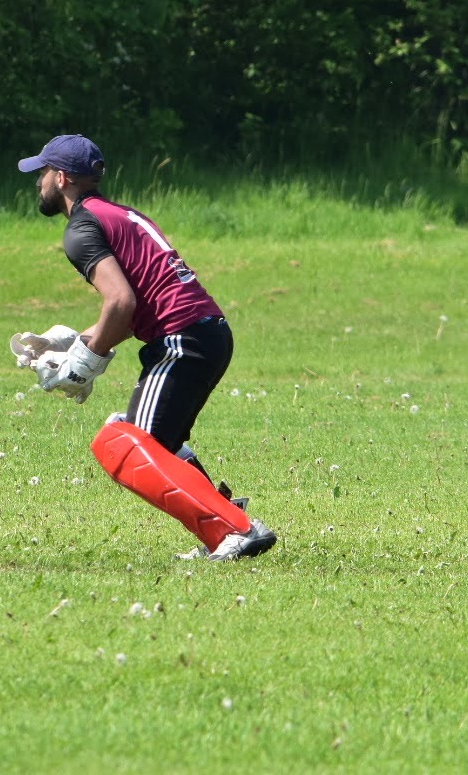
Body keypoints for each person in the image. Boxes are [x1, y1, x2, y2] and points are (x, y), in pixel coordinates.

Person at [19, 134, 277, 561]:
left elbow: (121, 303)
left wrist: (83, 365)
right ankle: (226, 533)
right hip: (203, 332)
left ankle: (236, 529)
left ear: (61, 178)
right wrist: (73, 343)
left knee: (126, 442)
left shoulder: (81, 228)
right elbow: (134, 308)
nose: (39, 181)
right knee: (160, 441)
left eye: (43, 172)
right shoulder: (117, 212)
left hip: (182, 339)